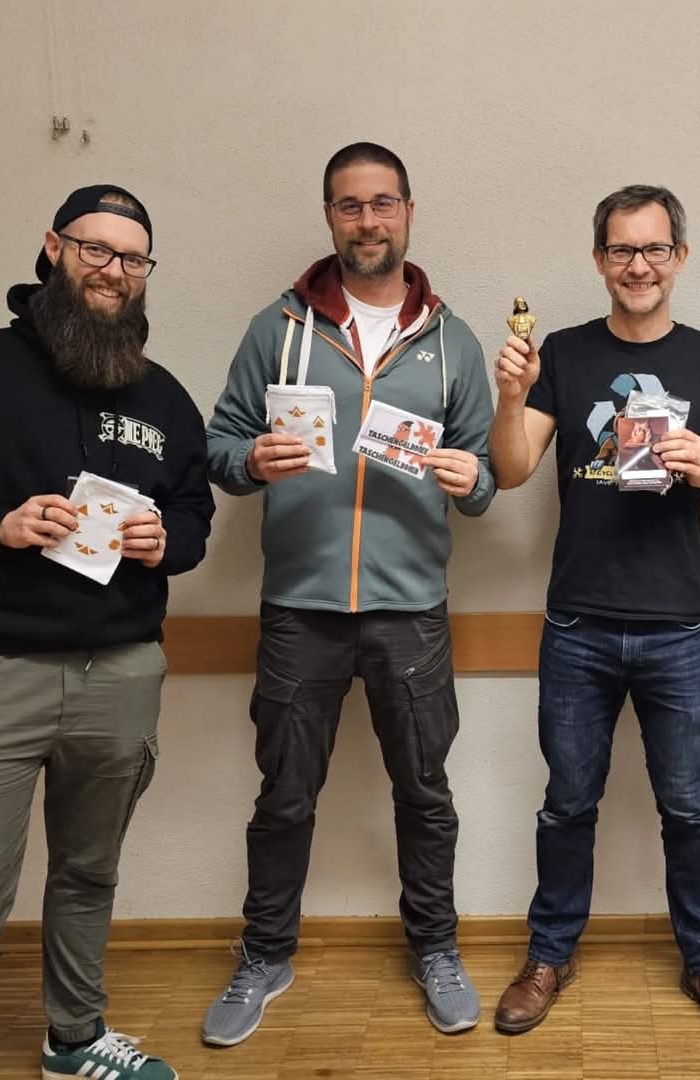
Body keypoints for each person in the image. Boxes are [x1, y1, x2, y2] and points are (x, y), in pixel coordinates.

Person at [0, 184, 214, 1080]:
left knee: (87, 874)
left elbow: (194, 512)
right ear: (53, 249)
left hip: (121, 672)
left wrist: (168, 540)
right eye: (95, 249)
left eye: (133, 258)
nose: (114, 271)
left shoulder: (162, 397)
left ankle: (73, 1041)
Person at [204, 142, 494, 1044]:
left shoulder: (451, 341)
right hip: (301, 608)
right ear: (330, 216)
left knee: (425, 793)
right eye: (349, 205)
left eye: (382, 203)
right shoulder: (278, 329)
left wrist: (470, 478)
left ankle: (436, 948)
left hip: (412, 612)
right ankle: (264, 955)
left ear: (408, 211)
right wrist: (251, 461)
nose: (368, 221)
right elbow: (220, 445)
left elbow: (485, 478)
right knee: (285, 796)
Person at [488, 184, 700, 1047]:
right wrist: (511, 396)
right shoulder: (563, 353)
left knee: (689, 808)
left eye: (653, 249)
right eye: (620, 250)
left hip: (679, 627)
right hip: (577, 626)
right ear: (599, 259)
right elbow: (510, 470)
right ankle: (548, 956)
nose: (637, 265)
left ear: (679, 256)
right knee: (567, 805)